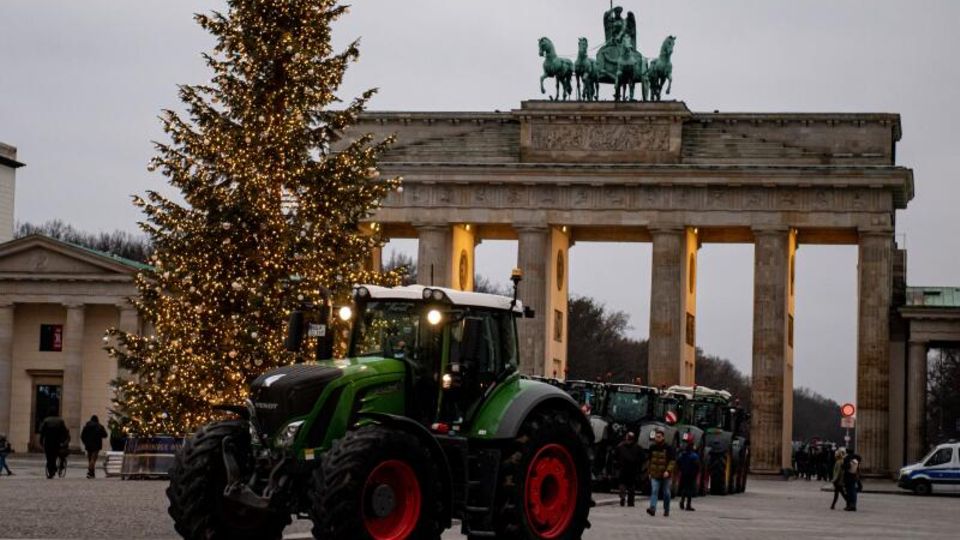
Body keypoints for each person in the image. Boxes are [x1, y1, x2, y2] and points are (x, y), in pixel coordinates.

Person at [646, 429, 676, 517]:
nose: (657, 438)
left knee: (666, 493)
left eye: (659, 437)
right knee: (654, 491)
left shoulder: (669, 448)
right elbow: (649, 461)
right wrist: (649, 472)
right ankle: (652, 508)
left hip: (666, 475)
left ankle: (666, 509)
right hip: (655, 474)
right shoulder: (652, 447)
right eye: (656, 436)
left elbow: (672, 461)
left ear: (663, 437)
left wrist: (668, 471)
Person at [615, 432, 643, 507]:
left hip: (623, 468)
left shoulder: (620, 446)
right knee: (631, 486)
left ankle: (623, 498)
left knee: (622, 485)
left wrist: (617, 465)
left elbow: (615, 456)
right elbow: (641, 458)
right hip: (633, 469)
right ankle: (630, 501)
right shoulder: (638, 447)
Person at [676, 436, 700, 511]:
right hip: (691, 475)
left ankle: (682, 501)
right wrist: (696, 473)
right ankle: (688, 505)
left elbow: (678, 462)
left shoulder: (683, 454)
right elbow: (697, 465)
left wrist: (681, 469)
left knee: (684, 488)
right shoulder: (694, 456)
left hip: (684, 473)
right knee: (690, 490)